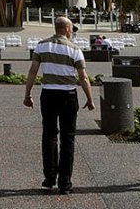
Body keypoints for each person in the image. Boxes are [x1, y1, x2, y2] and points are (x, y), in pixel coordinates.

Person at [23, 16, 95, 195]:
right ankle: (65, 183)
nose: (72, 32)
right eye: (71, 29)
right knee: (68, 138)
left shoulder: (41, 46)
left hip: (48, 94)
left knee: (49, 135)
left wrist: (27, 94)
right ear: (65, 29)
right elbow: (83, 77)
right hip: (68, 95)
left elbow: (33, 71)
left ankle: (49, 178)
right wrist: (90, 98)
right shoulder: (75, 49)